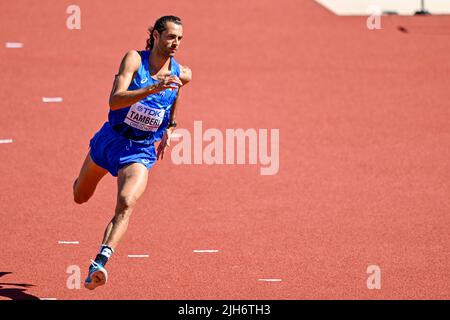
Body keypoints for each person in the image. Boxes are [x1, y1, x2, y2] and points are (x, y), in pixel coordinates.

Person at [72, 15, 192, 290]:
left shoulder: (182, 73)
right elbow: (114, 101)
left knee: (126, 202)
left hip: (139, 150)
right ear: (156, 36)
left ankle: (99, 263)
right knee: (80, 195)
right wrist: (151, 88)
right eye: (171, 37)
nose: (176, 43)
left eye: (180, 39)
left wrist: (171, 126)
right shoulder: (134, 60)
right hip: (110, 140)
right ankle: (83, 181)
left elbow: (176, 95)